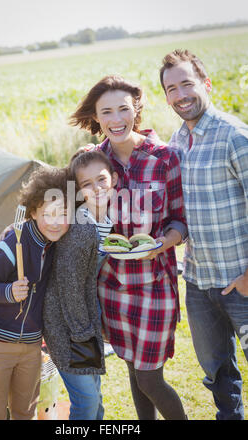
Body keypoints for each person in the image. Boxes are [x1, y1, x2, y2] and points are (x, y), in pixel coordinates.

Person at [69, 75, 188, 420]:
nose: (116, 118)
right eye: (107, 111)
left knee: (150, 377)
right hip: (110, 285)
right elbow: (74, 220)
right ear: (96, 116)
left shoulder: (165, 157)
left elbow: (180, 220)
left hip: (154, 284)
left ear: (136, 109)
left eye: (124, 108)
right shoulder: (90, 162)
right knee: (134, 372)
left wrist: (165, 242)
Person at [160, 49, 248, 420]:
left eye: (187, 84)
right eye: (171, 88)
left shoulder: (235, 136)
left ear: (206, 84)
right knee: (218, 374)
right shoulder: (175, 144)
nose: (181, 94)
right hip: (197, 284)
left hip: (241, 280)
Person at [0, 166, 69, 420]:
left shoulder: (55, 246)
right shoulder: (10, 244)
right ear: (34, 210)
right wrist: (8, 291)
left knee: (25, 412)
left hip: (31, 346)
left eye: (63, 214)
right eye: (49, 214)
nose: (56, 221)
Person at [43, 149, 118, 420]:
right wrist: (83, 334)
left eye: (101, 180)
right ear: (77, 191)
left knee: (95, 399)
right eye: (86, 184)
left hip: (87, 319)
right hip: (67, 324)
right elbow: (69, 285)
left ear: (115, 180)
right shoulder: (80, 227)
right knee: (86, 400)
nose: (96, 189)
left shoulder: (108, 220)